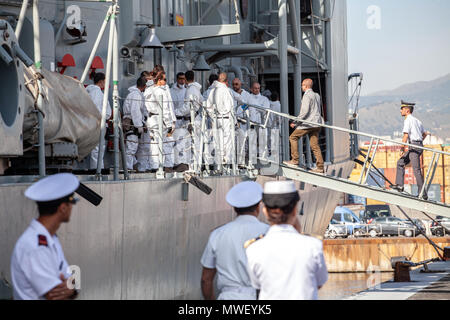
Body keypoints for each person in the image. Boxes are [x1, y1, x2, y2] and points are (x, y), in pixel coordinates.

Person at [245, 181, 328, 300]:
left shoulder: (253, 249)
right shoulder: (313, 245)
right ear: (295, 210)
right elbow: (319, 282)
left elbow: (257, 284)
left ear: (264, 211)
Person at [10, 173, 82, 300]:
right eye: (72, 203)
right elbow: (55, 295)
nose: (72, 208)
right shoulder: (35, 245)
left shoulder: (50, 238)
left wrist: (73, 288)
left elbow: (71, 282)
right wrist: (71, 288)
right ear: (63, 208)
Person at [200, 181, 269, 300]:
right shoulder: (269, 233)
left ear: (235, 208)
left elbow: (206, 279)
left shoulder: (218, 234)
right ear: (258, 206)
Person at [284, 79, 325, 173]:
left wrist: (295, 122)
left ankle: (295, 160)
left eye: (302, 85)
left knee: (293, 137)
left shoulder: (307, 95)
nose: (301, 87)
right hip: (317, 123)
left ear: (306, 86)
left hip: (308, 123)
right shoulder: (317, 95)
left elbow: (304, 112)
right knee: (314, 145)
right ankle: (320, 167)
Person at [391, 101, 430, 199]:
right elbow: (424, 134)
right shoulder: (417, 121)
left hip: (413, 146)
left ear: (407, 110)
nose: (400, 111)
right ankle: (400, 186)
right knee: (400, 162)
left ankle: (423, 194)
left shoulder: (408, 120)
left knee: (416, 170)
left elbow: (405, 135)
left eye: (402, 109)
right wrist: (419, 142)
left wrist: (401, 148)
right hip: (417, 145)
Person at [145, 71, 177, 172]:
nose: (165, 82)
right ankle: (162, 166)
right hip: (159, 119)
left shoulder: (148, 90)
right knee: (163, 144)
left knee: (153, 144)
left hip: (150, 119)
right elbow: (165, 109)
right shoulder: (160, 91)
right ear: (159, 80)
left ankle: (154, 166)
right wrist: (169, 124)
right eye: (164, 79)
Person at [206, 72, 236, 166]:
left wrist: (212, 116)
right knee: (227, 140)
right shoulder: (226, 90)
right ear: (226, 81)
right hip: (226, 118)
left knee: (217, 140)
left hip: (216, 118)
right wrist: (234, 121)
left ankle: (218, 161)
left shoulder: (212, 91)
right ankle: (226, 161)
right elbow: (231, 107)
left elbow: (208, 106)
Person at [86, 72, 112, 170]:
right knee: (97, 148)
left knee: (99, 148)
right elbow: (96, 107)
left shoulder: (92, 91)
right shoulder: (96, 92)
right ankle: (97, 169)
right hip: (99, 122)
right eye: (105, 81)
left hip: (97, 121)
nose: (106, 83)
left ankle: (98, 168)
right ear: (101, 81)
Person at [123, 76, 148, 171]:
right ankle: (128, 167)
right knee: (132, 146)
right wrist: (139, 126)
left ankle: (133, 164)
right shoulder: (136, 95)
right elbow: (135, 111)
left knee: (132, 145)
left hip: (131, 120)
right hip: (132, 122)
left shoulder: (134, 94)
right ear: (144, 86)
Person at [183, 70, 204, 170]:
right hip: (197, 118)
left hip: (192, 119)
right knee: (197, 143)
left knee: (192, 144)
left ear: (186, 79)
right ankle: (197, 166)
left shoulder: (190, 90)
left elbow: (187, 107)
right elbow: (202, 101)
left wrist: (176, 112)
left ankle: (193, 167)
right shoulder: (197, 89)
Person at [247, 82, 271, 163]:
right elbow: (244, 108)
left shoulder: (264, 99)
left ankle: (263, 160)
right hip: (251, 124)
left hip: (261, 123)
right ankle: (252, 161)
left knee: (263, 142)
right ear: (251, 89)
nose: (257, 90)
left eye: (258, 88)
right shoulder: (248, 97)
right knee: (252, 142)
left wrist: (255, 107)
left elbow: (265, 110)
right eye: (255, 88)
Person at [231, 78, 252, 166]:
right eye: (234, 84)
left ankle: (243, 162)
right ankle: (236, 162)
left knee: (244, 143)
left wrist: (245, 116)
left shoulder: (246, 95)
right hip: (234, 121)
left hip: (243, 121)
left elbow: (248, 107)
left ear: (240, 84)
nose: (235, 86)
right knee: (234, 143)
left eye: (236, 84)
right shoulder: (231, 93)